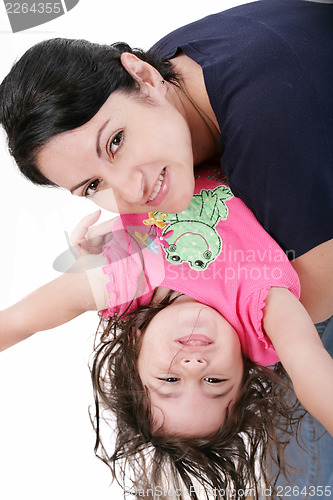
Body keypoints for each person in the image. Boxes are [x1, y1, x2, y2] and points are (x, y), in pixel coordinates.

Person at [1, 165, 332, 498]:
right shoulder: (257, 310)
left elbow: (20, 320)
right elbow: (309, 365)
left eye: (169, 382)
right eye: (215, 382)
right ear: (245, 367)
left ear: (135, 345)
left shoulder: (127, 279)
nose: (195, 368)